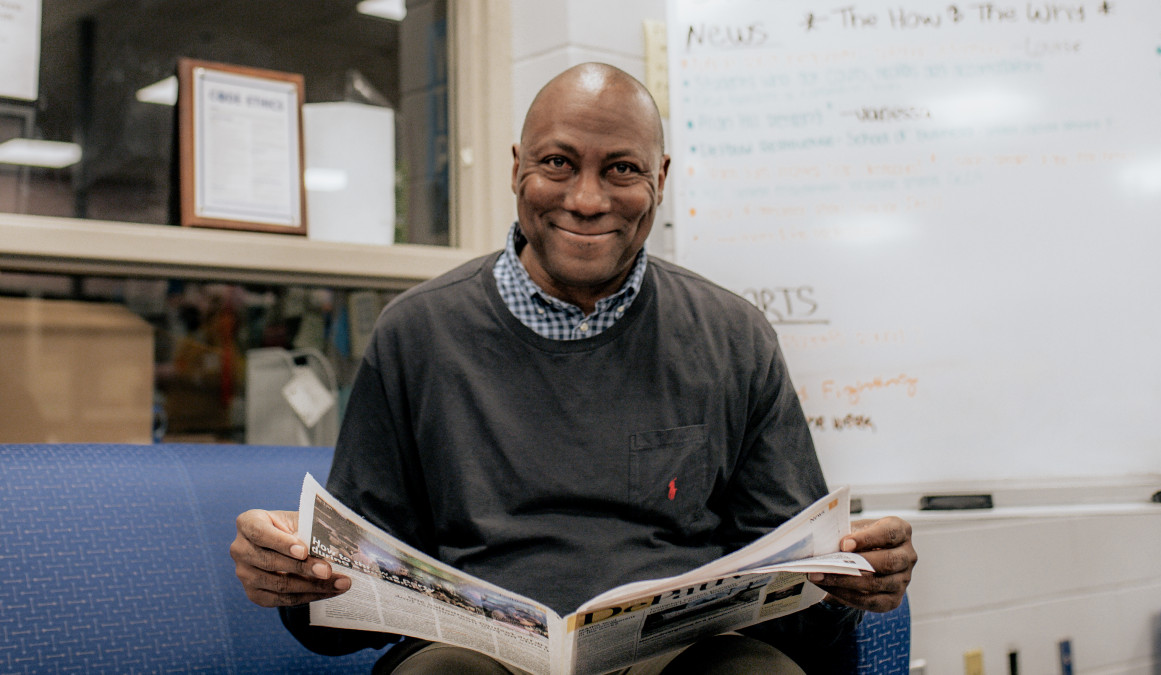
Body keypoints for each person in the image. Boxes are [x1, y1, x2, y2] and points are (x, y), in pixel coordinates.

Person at [230, 62, 917, 675]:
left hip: (682, 654)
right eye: (557, 162)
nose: (587, 199)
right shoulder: (416, 334)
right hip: (476, 657)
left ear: (661, 179)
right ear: (515, 168)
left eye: (621, 168)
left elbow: (802, 602)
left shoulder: (733, 337)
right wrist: (296, 580)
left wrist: (851, 583)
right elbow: (341, 606)